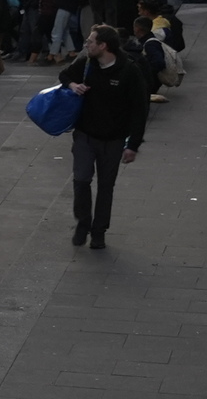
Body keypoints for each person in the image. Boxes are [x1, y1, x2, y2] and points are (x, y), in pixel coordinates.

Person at [60, 24, 149, 249]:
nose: (86, 45)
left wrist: (133, 145)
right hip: (85, 135)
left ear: (103, 46)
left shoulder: (129, 70)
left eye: (90, 42)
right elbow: (65, 74)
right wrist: (73, 85)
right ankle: (83, 221)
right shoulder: (88, 63)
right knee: (81, 180)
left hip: (114, 139)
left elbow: (140, 109)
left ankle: (99, 231)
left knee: (106, 187)